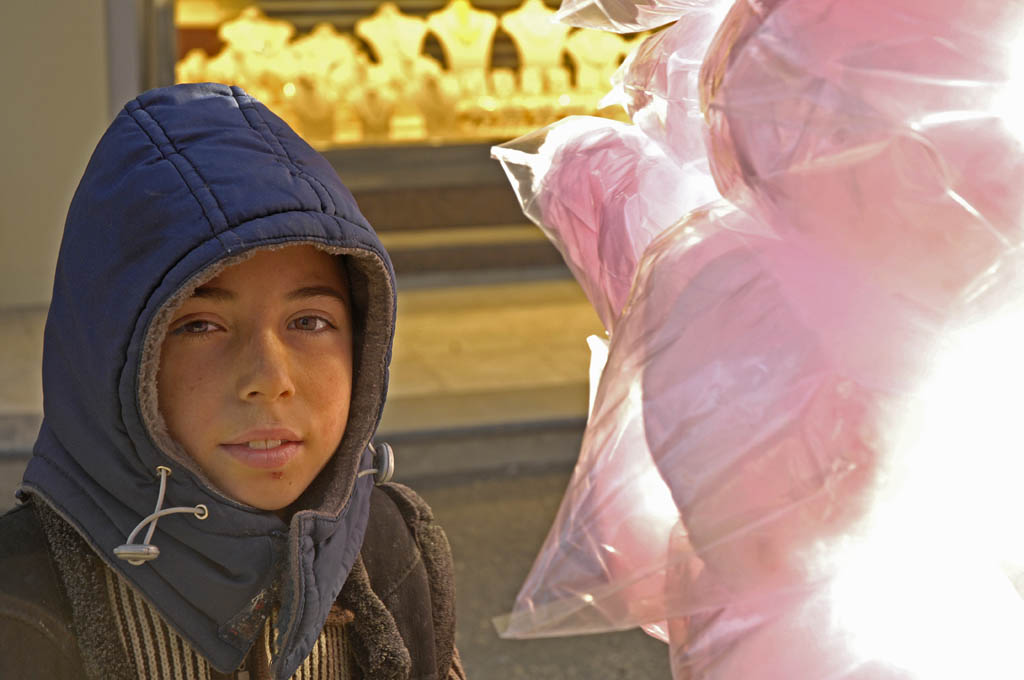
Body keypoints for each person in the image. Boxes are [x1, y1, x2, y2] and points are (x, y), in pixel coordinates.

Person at [0, 82, 465, 680]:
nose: (270, 380)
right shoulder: (23, 602)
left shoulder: (395, 550)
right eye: (200, 326)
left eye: (309, 321)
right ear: (110, 357)